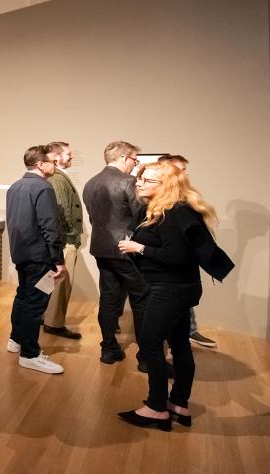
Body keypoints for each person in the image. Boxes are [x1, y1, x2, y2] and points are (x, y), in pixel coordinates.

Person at [115, 162, 233, 430]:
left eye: (147, 180)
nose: (139, 183)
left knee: (150, 342)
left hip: (170, 289)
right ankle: (178, 403)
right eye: (140, 178)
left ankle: (156, 408)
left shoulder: (173, 213)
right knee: (179, 343)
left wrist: (139, 247)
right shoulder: (164, 210)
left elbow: (176, 256)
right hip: (179, 288)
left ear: (165, 186)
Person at [82, 141, 152, 367]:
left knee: (109, 299)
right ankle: (145, 357)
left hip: (101, 248)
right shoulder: (129, 182)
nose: (135, 164)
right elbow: (141, 217)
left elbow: (95, 218)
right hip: (127, 249)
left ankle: (109, 349)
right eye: (135, 159)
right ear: (124, 158)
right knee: (142, 299)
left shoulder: (91, 182)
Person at [4, 145, 67, 374]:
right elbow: (50, 227)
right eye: (53, 161)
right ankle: (29, 354)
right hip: (40, 256)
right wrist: (58, 260)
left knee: (23, 297)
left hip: (22, 253)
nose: (56, 165)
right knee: (35, 304)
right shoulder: (43, 187)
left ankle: (16, 340)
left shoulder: (15, 186)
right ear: (40, 164)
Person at [156, 154, 218, 349]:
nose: (186, 173)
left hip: (179, 264)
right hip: (163, 266)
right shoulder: (162, 202)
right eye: (181, 169)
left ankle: (185, 333)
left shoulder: (183, 199)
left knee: (180, 304)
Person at [41, 142, 83, 339]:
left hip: (60, 240)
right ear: (56, 158)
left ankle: (43, 315)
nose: (71, 157)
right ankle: (54, 323)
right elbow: (62, 211)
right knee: (60, 282)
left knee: (50, 280)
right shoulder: (57, 179)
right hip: (65, 240)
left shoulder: (55, 177)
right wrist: (71, 238)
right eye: (69, 154)